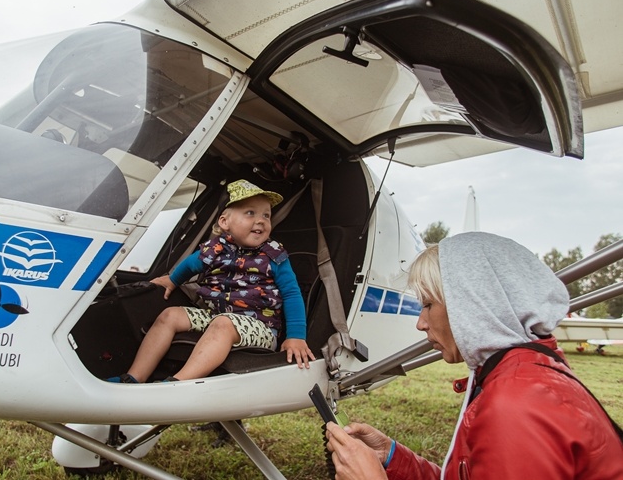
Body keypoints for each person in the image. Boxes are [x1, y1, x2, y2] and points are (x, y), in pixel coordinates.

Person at [327, 232, 623, 480]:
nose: (421, 322)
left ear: (471, 305)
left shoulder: (516, 408)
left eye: (428, 304)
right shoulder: (527, 375)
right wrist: (392, 457)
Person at [114, 179, 315, 383]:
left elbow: (291, 293)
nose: (261, 220)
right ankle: (133, 378)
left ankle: (177, 383)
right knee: (170, 315)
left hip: (259, 326)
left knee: (223, 323)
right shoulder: (215, 249)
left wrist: (296, 336)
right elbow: (190, 265)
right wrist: (173, 281)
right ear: (224, 222)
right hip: (216, 316)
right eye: (250, 213)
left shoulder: (274, 255)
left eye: (266, 215)